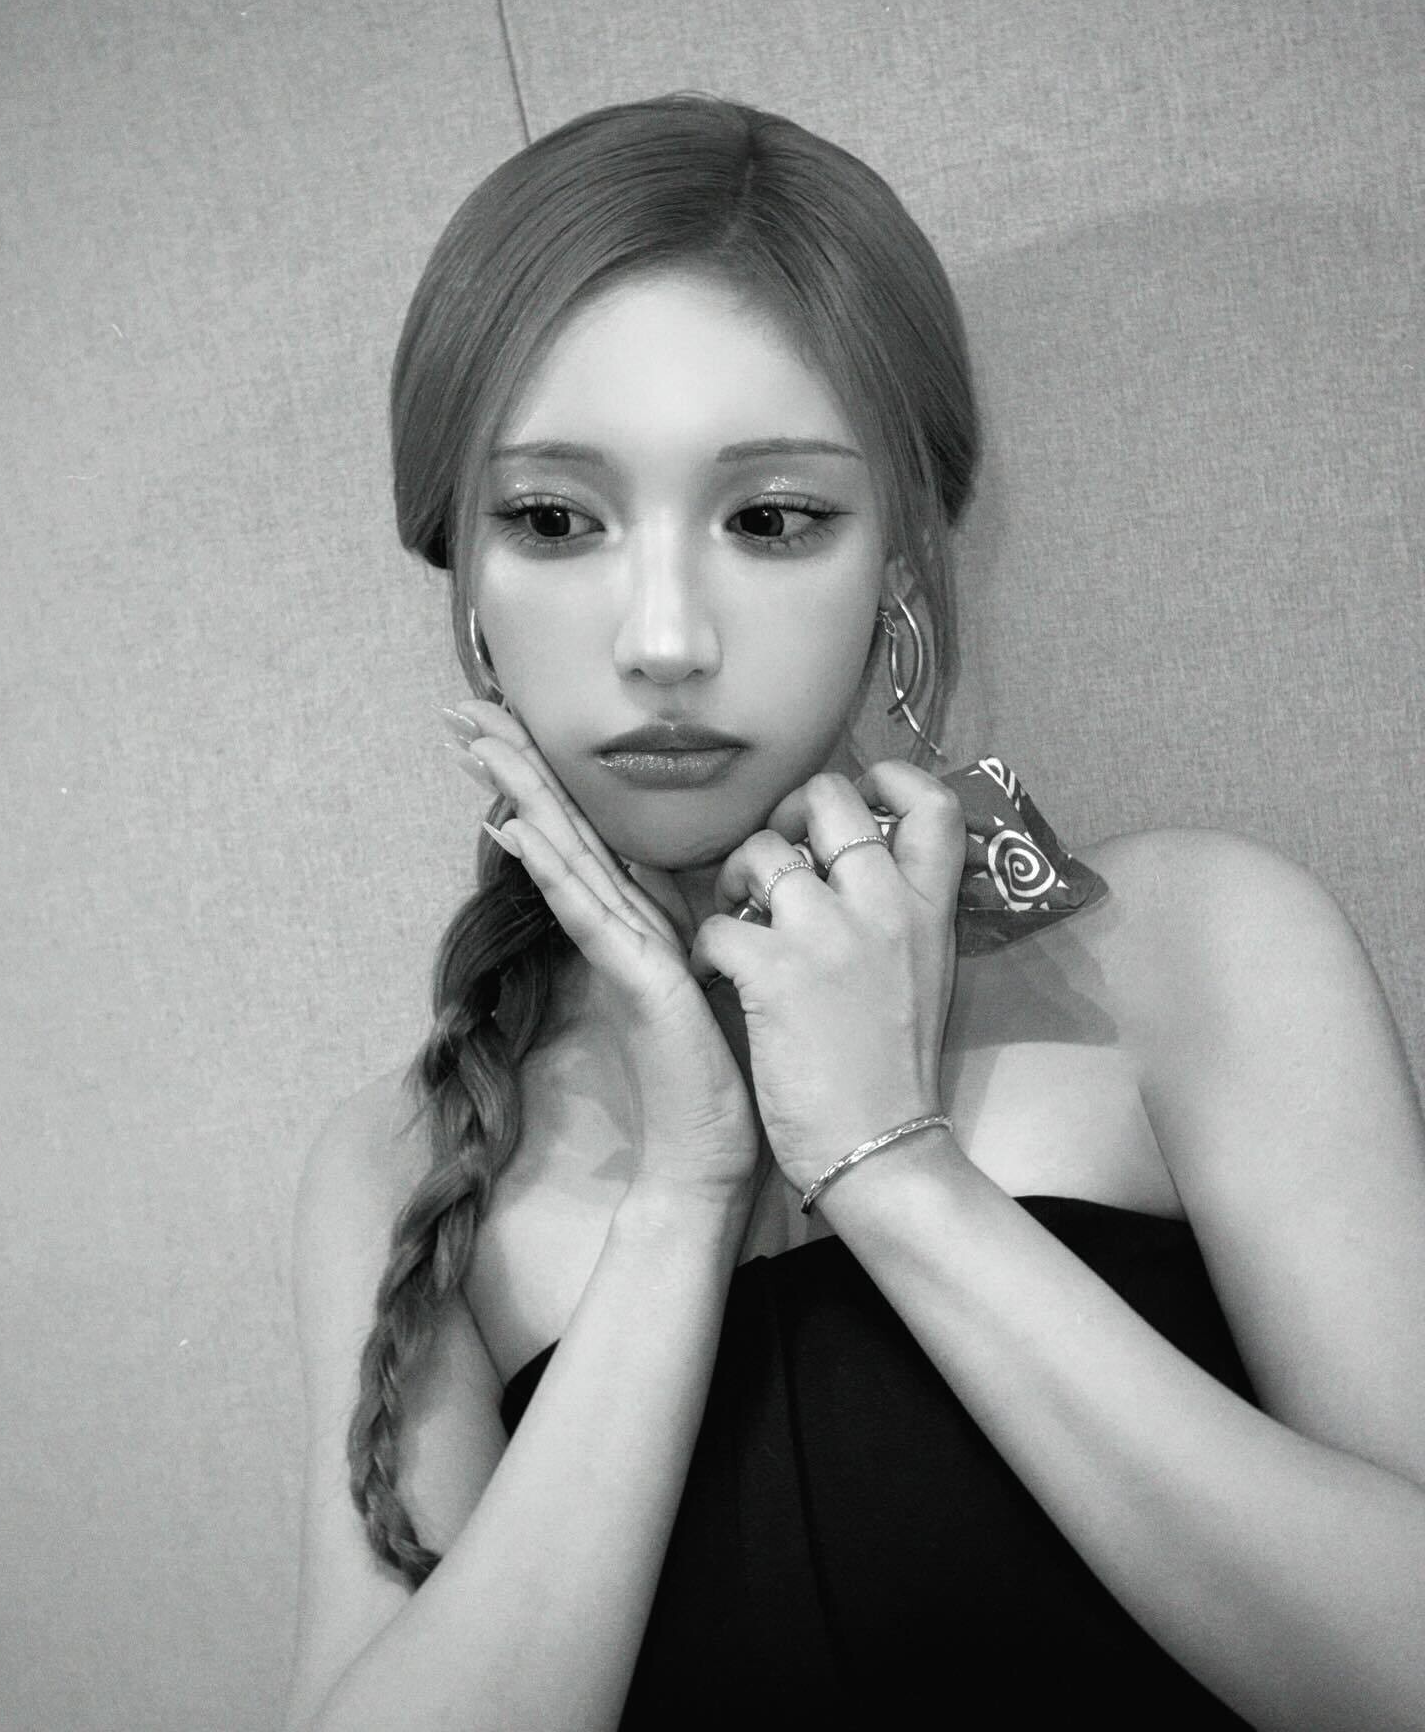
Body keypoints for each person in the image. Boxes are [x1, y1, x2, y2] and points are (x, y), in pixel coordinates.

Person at [283, 92, 1425, 1732]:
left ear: (901, 556)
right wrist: (684, 1194)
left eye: (771, 518)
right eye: (552, 520)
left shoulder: (1197, 952)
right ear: (465, 582)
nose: (664, 637)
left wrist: (892, 1166)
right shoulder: (405, 1162)